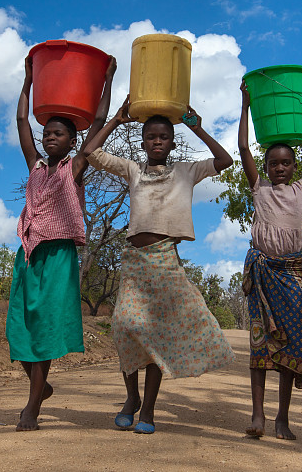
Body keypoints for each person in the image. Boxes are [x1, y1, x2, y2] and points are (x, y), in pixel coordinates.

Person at [83, 102, 236, 435]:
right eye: (150, 137)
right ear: (142, 143)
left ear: (172, 142)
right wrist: (117, 120)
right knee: (124, 326)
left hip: (165, 259)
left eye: (163, 137)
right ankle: (131, 398)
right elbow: (91, 151)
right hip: (135, 262)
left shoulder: (186, 171)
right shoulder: (132, 171)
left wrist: (195, 126)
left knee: (155, 335)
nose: (156, 142)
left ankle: (148, 410)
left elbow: (225, 161)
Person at [6, 52, 117, 431]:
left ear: (72, 141)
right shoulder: (35, 166)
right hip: (28, 254)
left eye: (58, 134)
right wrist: (28, 80)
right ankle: (41, 387)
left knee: (48, 328)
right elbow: (22, 118)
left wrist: (108, 80)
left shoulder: (77, 167)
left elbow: (99, 121)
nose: (50, 137)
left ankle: (31, 408)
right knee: (19, 326)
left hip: (59, 256)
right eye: (47, 133)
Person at [238, 81, 302, 440]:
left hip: (291, 274)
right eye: (273, 163)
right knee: (260, 346)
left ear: (294, 167)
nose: (279, 168)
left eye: (286, 162)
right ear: (266, 166)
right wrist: (245, 104)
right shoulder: (258, 188)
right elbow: (243, 145)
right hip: (262, 273)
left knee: (291, 343)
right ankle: (258, 416)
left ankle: (282, 419)